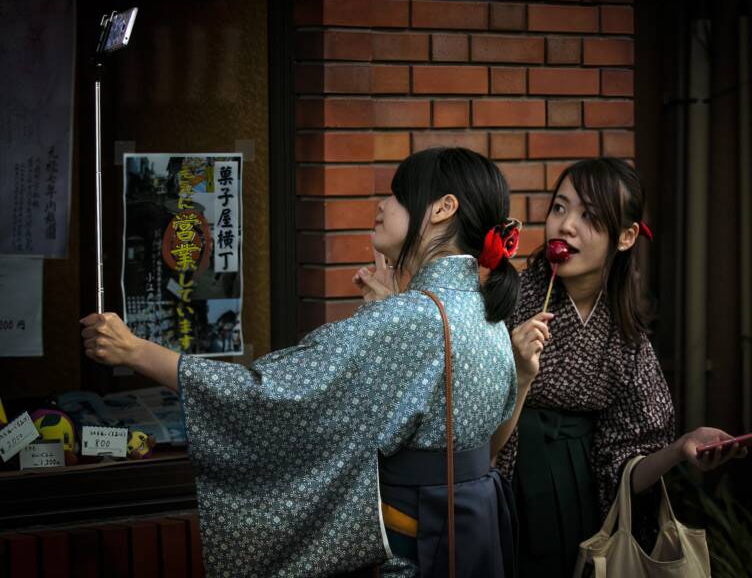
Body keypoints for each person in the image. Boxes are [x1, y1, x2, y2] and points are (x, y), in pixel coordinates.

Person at [81, 147, 531, 578]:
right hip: (473, 524)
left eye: (397, 193)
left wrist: (135, 351)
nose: (382, 204)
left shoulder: (411, 316)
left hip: (417, 535)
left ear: (442, 208)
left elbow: (273, 392)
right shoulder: (482, 309)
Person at [493, 157, 748, 577]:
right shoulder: (509, 300)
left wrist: (681, 448)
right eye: (560, 207)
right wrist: (516, 370)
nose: (565, 225)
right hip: (509, 490)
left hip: (585, 506)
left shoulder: (627, 338)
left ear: (627, 236)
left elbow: (626, 468)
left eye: (589, 215)